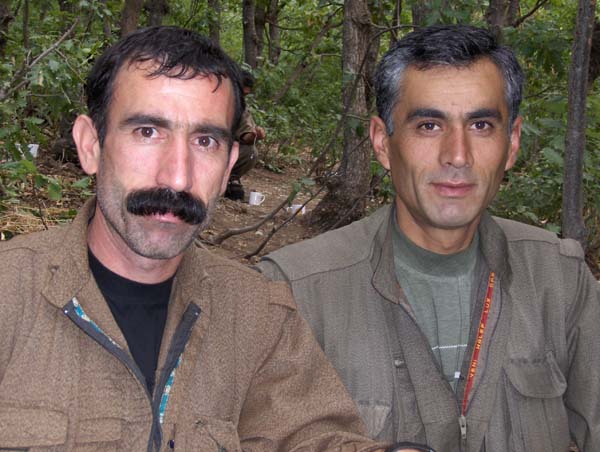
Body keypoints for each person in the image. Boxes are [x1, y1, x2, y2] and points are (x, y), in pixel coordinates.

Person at [0, 26, 425, 452]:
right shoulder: (10, 292)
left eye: (205, 141)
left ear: (228, 167)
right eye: (147, 132)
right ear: (91, 145)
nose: (177, 177)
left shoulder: (257, 314)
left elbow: (311, 438)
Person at [258, 24, 600, 452]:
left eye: (480, 125)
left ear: (512, 143)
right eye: (429, 126)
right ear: (382, 143)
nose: (457, 155)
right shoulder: (295, 290)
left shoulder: (559, 279)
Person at [224, 70, 266, 200]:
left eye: (245, 95)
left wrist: (254, 136)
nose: (241, 97)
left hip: (222, 150)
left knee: (250, 151)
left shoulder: (240, 107)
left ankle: (230, 179)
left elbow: (245, 136)